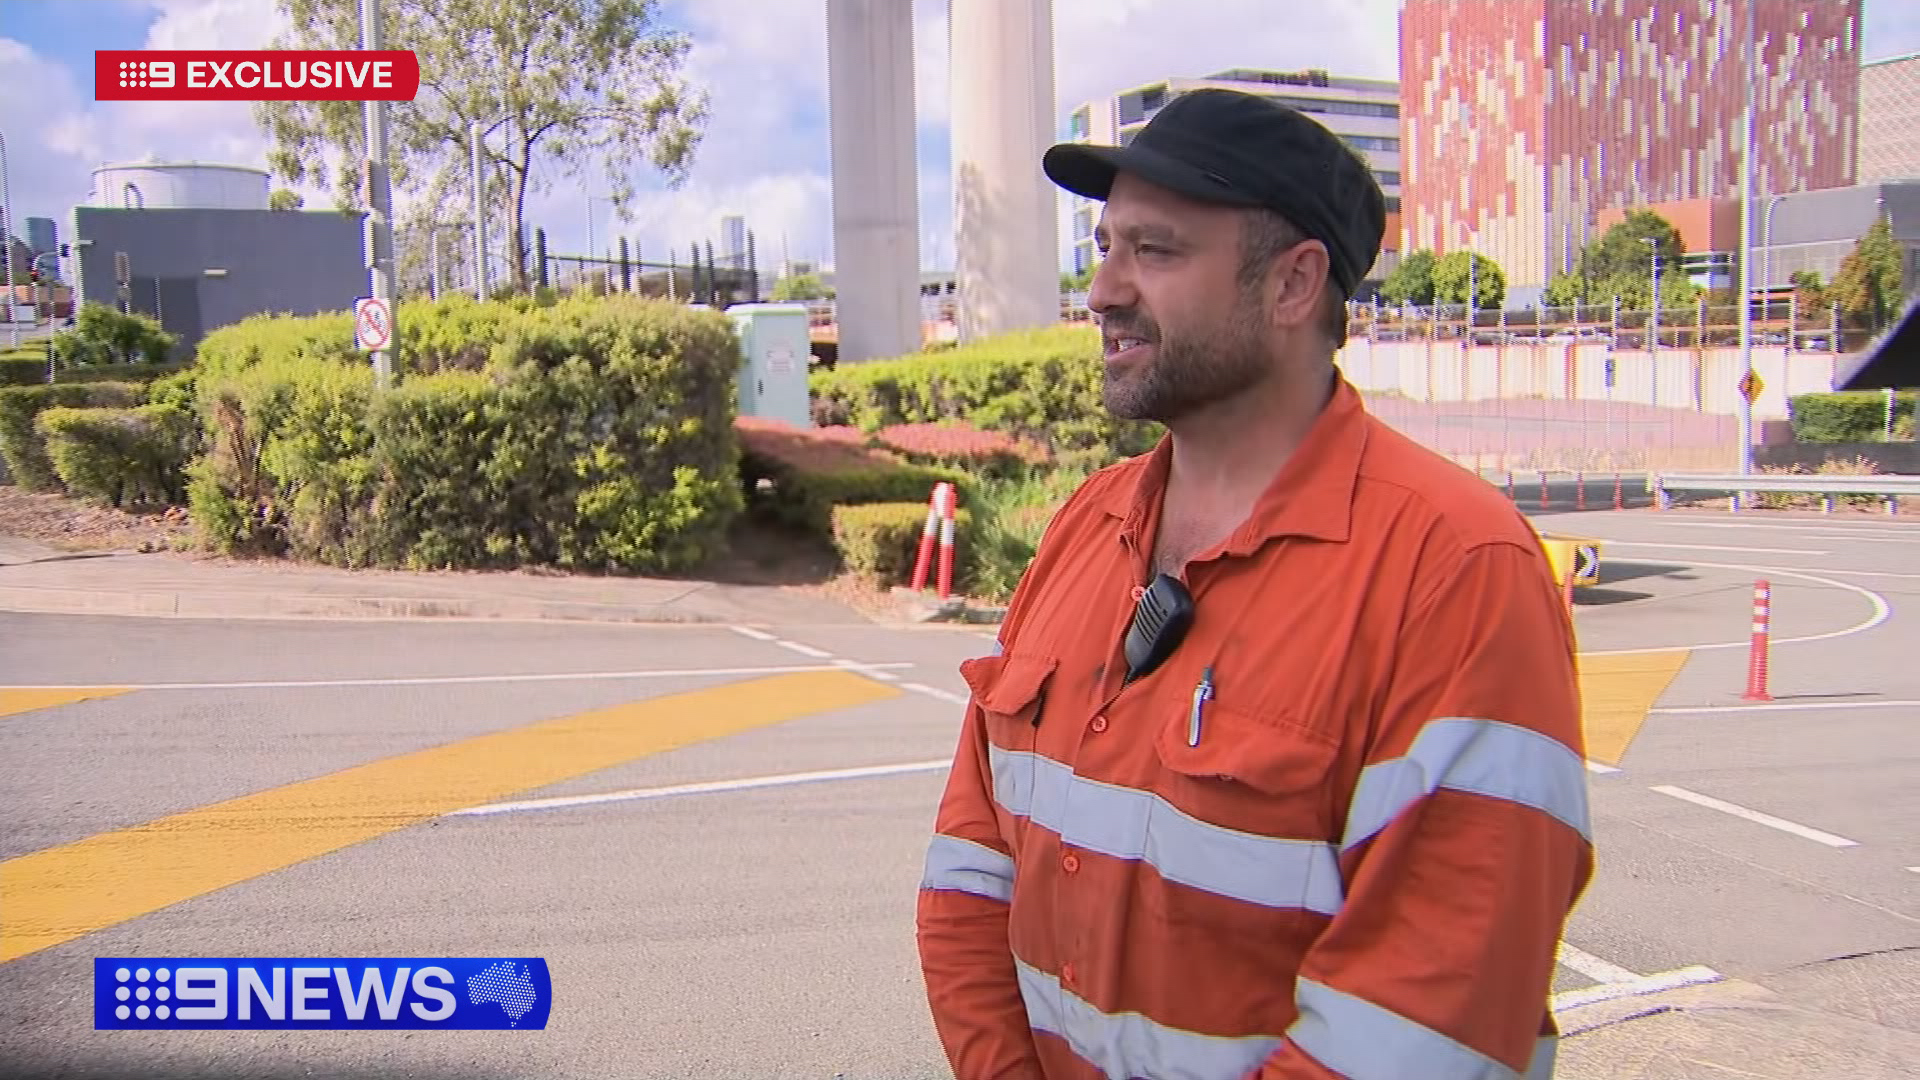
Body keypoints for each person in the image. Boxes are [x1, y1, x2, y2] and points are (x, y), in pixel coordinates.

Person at [914, 88, 1594, 1080]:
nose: (1102, 290)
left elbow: (1419, 1026)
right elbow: (969, 873)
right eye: (1101, 248)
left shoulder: (1457, 572)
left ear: (1292, 285)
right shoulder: (1084, 527)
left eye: (1154, 251)